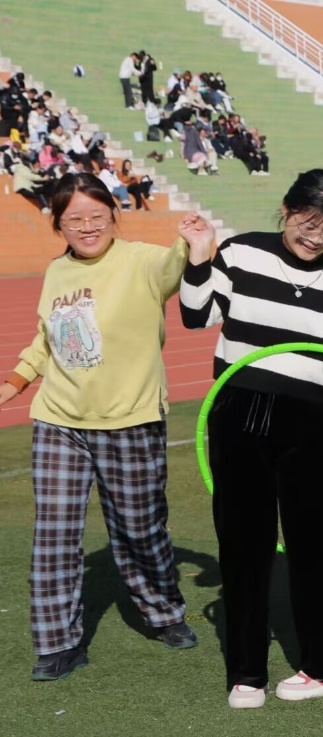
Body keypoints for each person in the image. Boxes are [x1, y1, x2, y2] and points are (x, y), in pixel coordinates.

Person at [179, 169, 323, 709]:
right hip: (237, 411)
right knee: (243, 545)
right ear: (286, 210)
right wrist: (200, 253)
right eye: (308, 225)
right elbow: (196, 316)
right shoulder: (241, 253)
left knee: (318, 546)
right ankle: (247, 672)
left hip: (309, 418)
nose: (317, 238)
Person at [0, 173, 200, 681]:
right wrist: (16, 381)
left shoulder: (143, 261)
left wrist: (195, 241)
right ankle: (58, 644)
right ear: (58, 225)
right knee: (54, 534)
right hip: (59, 419)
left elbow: (183, 264)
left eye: (97, 216)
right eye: (74, 220)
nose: (87, 227)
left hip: (130, 418)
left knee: (139, 529)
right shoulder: (56, 271)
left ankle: (163, 611)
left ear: (114, 216)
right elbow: (46, 338)